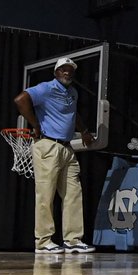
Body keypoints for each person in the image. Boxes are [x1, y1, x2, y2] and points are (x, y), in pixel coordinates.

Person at [13, 57, 96, 254]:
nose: (67, 72)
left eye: (70, 70)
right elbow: (20, 100)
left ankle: (73, 240)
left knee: (73, 194)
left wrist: (84, 130)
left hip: (67, 148)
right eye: (63, 70)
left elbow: (72, 115)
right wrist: (35, 124)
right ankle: (43, 242)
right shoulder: (46, 88)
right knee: (46, 194)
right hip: (48, 145)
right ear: (56, 72)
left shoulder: (72, 92)